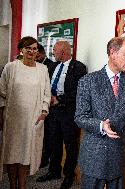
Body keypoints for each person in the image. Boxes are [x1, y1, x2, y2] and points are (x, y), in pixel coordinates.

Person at [75, 37, 125, 189]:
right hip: (94, 155)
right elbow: (80, 117)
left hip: (119, 153)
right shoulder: (88, 81)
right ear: (112, 53)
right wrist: (101, 125)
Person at [0, 36, 51, 189]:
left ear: (38, 52)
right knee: (11, 154)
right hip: (13, 118)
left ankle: (22, 185)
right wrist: (1, 114)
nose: (31, 51)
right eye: (28, 48)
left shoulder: (43, 69)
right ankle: (12, 185)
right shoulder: (11, 67)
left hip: (33, 119)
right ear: (21, 49)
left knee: (25, 154)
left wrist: (44, 112)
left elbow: (47, 94)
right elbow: (1, 92)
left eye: (34, 48)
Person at [36, 41, 87, 189]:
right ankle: (54, 171)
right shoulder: (53, 66)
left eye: (55, 50)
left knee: (70, 145)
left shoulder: (78, 67)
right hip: (53, 112)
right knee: (54, 142)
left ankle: (69, 175)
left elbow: (79, 91)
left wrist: (59, 99)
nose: (53, 53)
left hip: (68, 113)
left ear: (64, 51)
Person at [36, 43, 54, 168]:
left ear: (41, 53)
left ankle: (44, 158)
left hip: (47, 105)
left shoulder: (50, 66)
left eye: (37, 55)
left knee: (46, 136)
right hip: (35, 103)